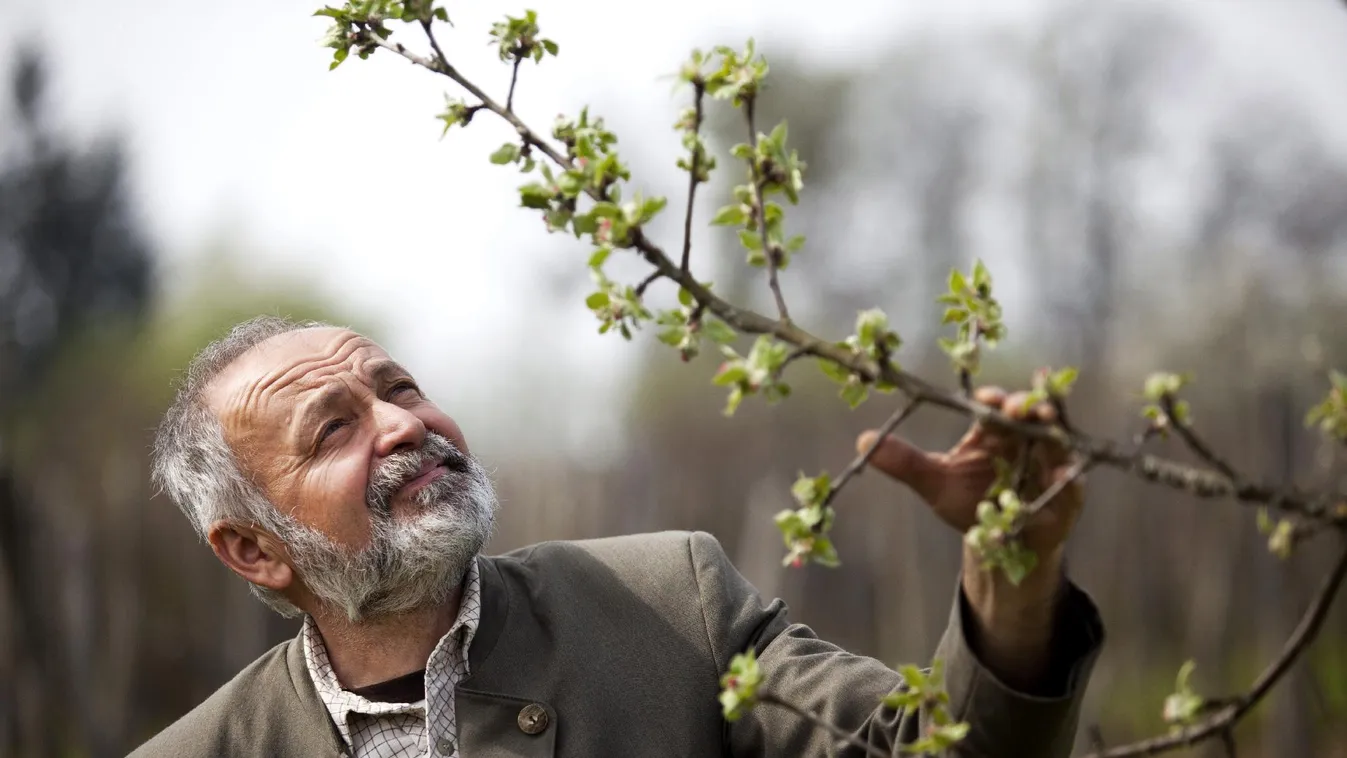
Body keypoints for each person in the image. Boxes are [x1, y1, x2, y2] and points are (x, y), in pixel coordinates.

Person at [130, 315, 1103, 758]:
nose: (400, 424)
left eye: (398, 386)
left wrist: (1012, 573)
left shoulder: (670, 606)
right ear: (255, 548)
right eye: (333, 428)